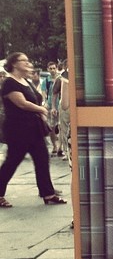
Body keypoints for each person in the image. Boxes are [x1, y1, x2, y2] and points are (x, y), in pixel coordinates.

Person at [0, 52, 67, 207]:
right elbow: (22, 103)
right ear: (14, 64)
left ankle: (48, 194)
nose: (27, 63)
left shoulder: (25, 81)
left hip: (33, 129)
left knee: (42, 159)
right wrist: (41, 109)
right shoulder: (9, 82)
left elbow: (36, 98)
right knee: (12, 162)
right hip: (18, 130)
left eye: (27, 60)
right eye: (23, 60)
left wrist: (40, 111)